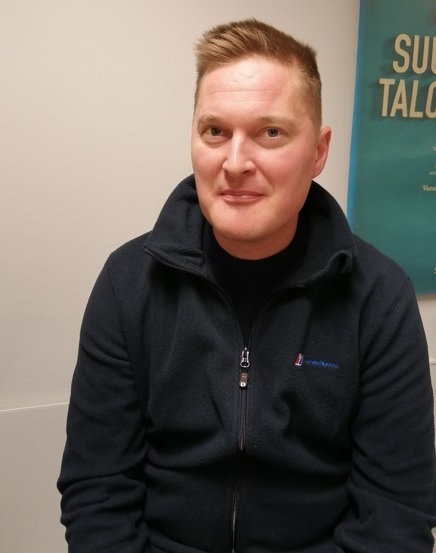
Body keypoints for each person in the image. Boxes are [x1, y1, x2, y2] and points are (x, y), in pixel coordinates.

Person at [57, 18, 436, 553]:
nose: (235, 163)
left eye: (270, 133)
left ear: (319, 151)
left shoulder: (379, 298)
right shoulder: (128, 283)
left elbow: (395, 516)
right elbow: (97, 495)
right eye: (215, 132)